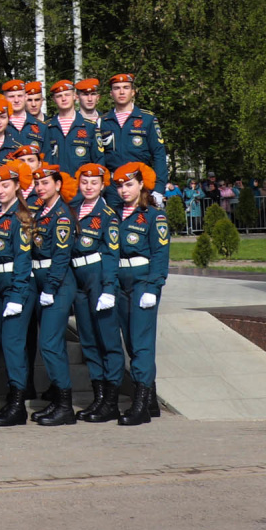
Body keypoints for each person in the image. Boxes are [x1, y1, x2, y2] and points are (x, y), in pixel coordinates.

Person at [110, 162, 170, 425]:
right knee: (132, 344)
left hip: (143, 281)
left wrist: (155, 286)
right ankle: (151, 401)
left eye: (129, 185)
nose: (124, 190)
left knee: (142, 343)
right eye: (120, 186)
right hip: (121, 283)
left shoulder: (153, 216)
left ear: (142, 185)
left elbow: (160, 253)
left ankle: (140, 404)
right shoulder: (116, 214)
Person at [69, 162, 124, 423]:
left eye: (94, 183)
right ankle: (98, 397)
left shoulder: (108, 214)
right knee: (88, 340)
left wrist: (109, 287)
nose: (88, 187)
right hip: (78, 278)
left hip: (98, 275)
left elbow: (112, 253)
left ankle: (111, 400)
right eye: (84, 182)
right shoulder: (73, 210)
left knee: (107, 340)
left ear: (102, 186)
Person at [0, 161, 37, 426]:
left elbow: (23, 259)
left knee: (14, 345)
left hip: (17, 286)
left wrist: (17, 295)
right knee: (8, 345)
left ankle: (18, 405)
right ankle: (11, 399)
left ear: (17, 186)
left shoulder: (21, 216)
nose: (1, 190)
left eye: (6, 185)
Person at [28, 163, 79, 426]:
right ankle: (58, 401)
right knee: (51, 345)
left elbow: (61, 256)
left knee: (49, 343)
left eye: (46, 183)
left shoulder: (60, 214)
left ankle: (65, 406)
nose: (40, 187)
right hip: (41, 282)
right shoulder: (41, 212)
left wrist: (50, 288)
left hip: (56, 284)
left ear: (58, 185)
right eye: (37, 183)